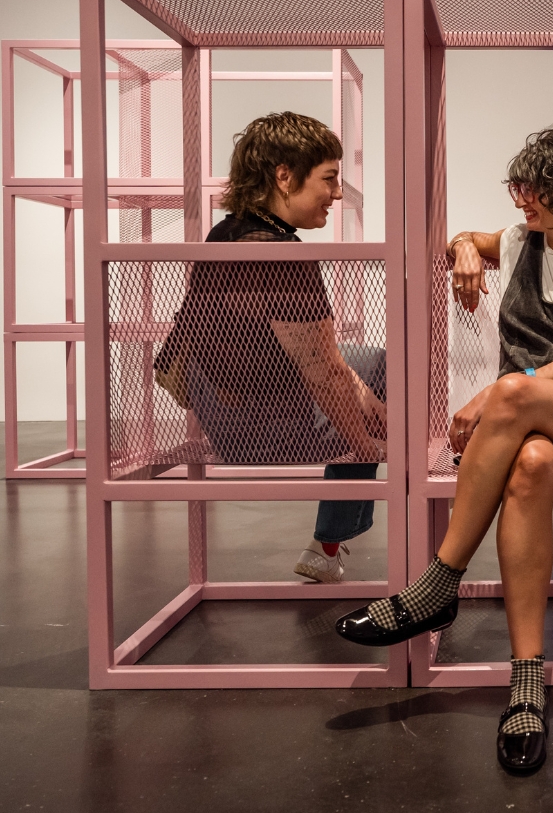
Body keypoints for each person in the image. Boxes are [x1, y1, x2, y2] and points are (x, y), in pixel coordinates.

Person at [336, 127, 553, 775]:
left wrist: (503, 393)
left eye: (532, 188)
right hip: (525, 427)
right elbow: (464, 241)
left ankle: (436, 585)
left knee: (509, 395)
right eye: (516, 187)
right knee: (529, 469)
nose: (520, 199)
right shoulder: (516, 243)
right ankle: (525, 682)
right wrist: (463, 253)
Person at [157, 112, 386, 583]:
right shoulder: (282, 256)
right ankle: (328, 545)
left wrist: (362, 389)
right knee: (371, 388)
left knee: (371, 364)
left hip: (227, 415)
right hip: (268, 429)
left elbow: (323, 360)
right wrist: (373, 448)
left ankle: (328, 543)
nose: (338, 193)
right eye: (329, 178)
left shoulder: (226, 232)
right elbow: (323, 372)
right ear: (284, 176)